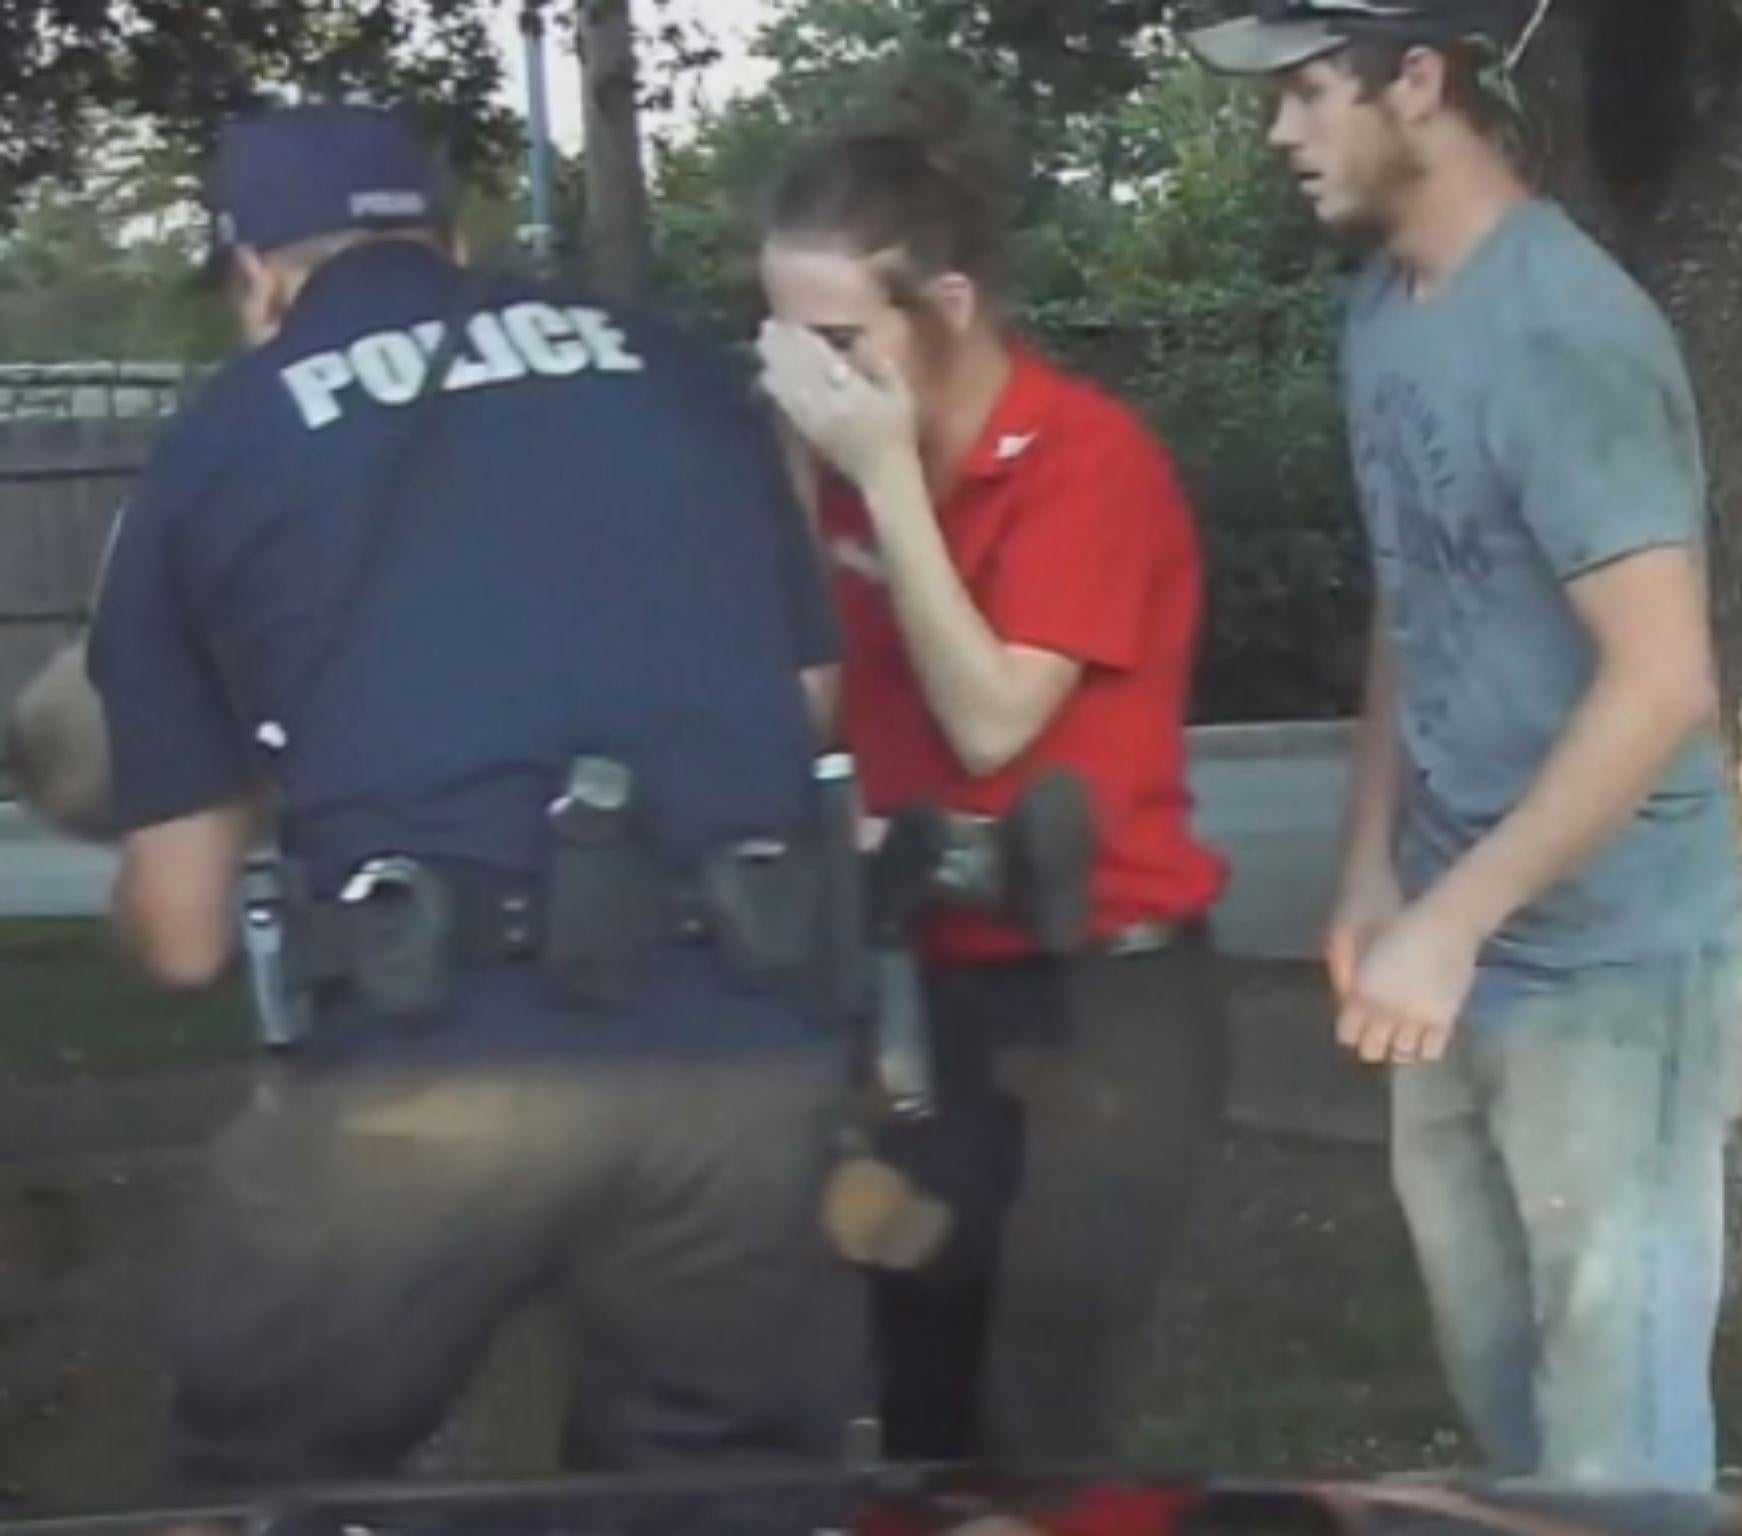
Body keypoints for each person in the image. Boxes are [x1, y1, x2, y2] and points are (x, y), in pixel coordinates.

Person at [26, 103, 863, 1489]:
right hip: (747, 1050)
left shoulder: (224, 439)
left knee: (267, 1481)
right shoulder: (672, 371)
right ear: (454, 237)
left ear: (257, 280)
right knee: (715, 1496)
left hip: (437, 1070)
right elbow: (808, 710)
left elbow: (180, 941)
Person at [1189, 0, 1742, 1493]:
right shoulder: (1386, 308)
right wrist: (1374, 868)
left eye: (1311, 92)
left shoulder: (1567, 334)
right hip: (1447, 943)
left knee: (1613, 1455)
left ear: (1419, 80)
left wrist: (1454, 915)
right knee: (1509, 1417)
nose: (1282, 132)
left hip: (1613, 968)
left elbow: (1661, 679)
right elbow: (1414, 587)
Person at [751, 91, 1232, 1463]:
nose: (812, 376)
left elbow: (990, 725)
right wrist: (799, 484)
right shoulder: (837, 468)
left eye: (838, 341)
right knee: (919, 1394)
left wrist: (885, 481)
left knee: (1044, 1411)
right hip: (930, 985)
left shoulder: (1084, 462)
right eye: (783, 342)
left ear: (946, 304)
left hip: (1104, 993)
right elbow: (799, 709)